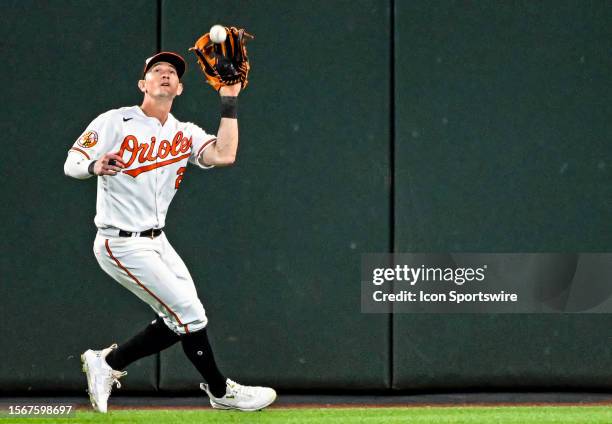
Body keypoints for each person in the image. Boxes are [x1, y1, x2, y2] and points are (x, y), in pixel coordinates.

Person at [63, 51, 276, 413]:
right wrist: (95, 164)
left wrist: (230, 99)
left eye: (172, 72)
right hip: (119, 242)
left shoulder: (184, 132)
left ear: (179, 87)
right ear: (142, 84)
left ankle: (108, 364)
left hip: (158, 241)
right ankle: (221, 391)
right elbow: (71, 163)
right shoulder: (115, 121)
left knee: (181, 319)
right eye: (156, 70)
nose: (164, 75)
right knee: (189, 314)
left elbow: (224, 154)